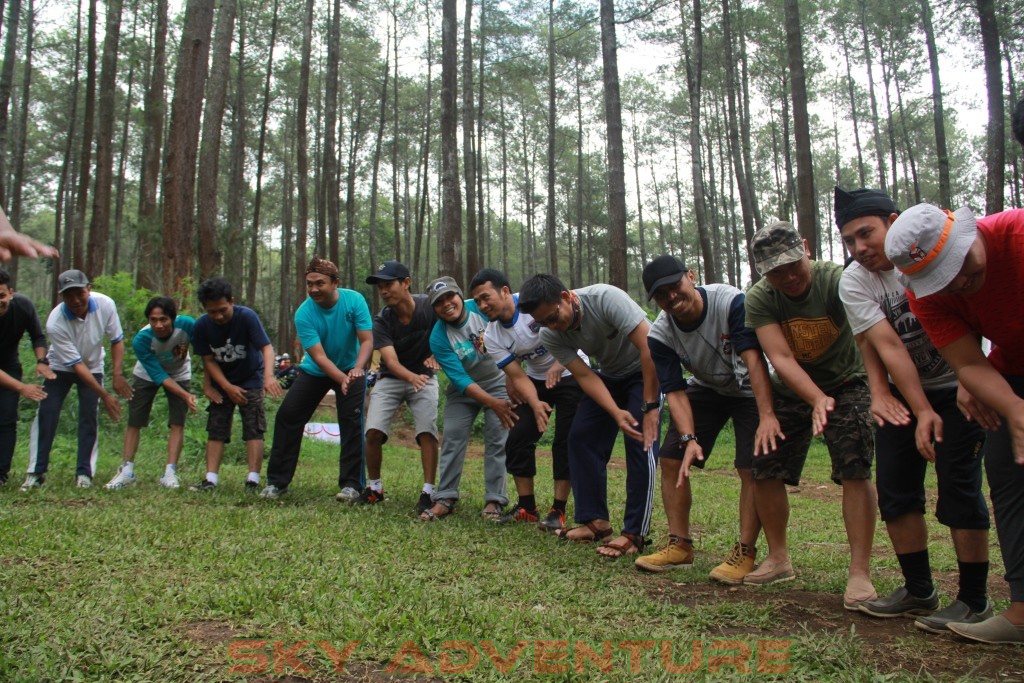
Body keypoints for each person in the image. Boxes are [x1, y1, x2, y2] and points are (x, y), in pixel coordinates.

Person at [836, 187, 991, 633]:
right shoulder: (855, 281)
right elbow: (886, 345)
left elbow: (975, 320)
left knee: (959, 485)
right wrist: (916, 407)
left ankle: (974, 600)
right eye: (850, 241)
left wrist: (971, 379)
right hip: (908, 395)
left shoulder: (926, 259)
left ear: (893, 220)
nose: (860, 248)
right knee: (896, 489)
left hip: (965, 383)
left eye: (866, 233)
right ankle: (919, 589)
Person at [885, 203, 1024, 645]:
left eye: (958, 264)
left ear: (964, 231)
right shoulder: (926, 295)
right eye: (942, 278)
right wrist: (1013, 408)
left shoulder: (1018, 234)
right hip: (1011, 370)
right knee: (1006, 469)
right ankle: (1022, 608)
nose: (959, 282)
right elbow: (965, 360)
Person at [743, 222, 878, 609]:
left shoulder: (837, 280)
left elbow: (869, 335)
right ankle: (779, 558)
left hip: (848, 383)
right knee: (765, 466)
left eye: (792, 265)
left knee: (854, 466)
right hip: (793, 390)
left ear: (806, 248)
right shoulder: (761, 298)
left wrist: (847, 395)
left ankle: (859, 572)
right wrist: (815, 399)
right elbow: (780, 358)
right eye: (774, 271)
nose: (787, 277)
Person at [637, 255, 782, 582]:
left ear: (691, 276)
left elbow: (754, 361)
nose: (671, 297)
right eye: (661, 295)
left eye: (675, 286)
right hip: (707, 387)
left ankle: (745, 551)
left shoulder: (731, 302)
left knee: (751, 466)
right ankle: (680, 544)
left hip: (751, 388)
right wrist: (688, 438)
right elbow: (674, 392)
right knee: (672, 457)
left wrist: (767, 414)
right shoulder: (660, 334)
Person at [518, 275, 660, 560]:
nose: (552, 327)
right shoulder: (549, 334)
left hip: (645, 370)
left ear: (566, 296)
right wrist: (614, 412)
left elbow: (650, 348)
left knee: (640, 441)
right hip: (608, 376)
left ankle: (634, 532)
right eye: (543, 322)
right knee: (581, 438)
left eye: (554, 317)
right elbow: (584, 375)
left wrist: (649, 405)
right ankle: (596, 522)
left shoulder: (606, 298)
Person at [469, 268, 587, 531]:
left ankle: (558, 510)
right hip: (534, 378)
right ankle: (527, 507)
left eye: (486, 297)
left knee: (564, 441)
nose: (482, 305)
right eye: (477, 301)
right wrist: (535, 404)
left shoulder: (533, 302)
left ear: (505, 291)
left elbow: (574, 325)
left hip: (571, 371)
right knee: (518, 436)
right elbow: (518, 376)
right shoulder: (491, 335)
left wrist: (560, 361)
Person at [261, 257, 372, 500]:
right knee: (288, 416)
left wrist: (356, 369)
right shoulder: (304, 313)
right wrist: (341, 378)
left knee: (352, 423)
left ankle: (352, 485)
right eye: (309, 284)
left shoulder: (354, 300)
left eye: (319, 283)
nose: (313, 289)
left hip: (352, 368)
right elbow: (319, 356)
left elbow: (367, 340)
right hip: (315, 371)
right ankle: (277, 483)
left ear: (335, 283)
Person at [22, 269, 132, 490]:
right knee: (47, 412)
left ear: (89, 289)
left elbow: (116, 340)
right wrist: (106, 395)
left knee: (88, 417)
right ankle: (36, 472)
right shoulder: (56, 321)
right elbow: (76, 366)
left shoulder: (105, 304)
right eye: (68, 295)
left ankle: (84, 473)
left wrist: (117, 374)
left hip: (93, 365)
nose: (75, 299)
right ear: (61, 296)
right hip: (61, 366)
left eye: (79, 293)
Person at [421, 276, 512, 521]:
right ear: (434, 308)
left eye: (450, 296)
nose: (447, 304)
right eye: (439, 302)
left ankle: (494, 500)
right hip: (464, 392)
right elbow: (460, 380)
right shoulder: (438, 337)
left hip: (498, 382)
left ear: (460, 295)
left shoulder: (481, 309)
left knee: (497, 439)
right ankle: (445, 497)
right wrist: (491, 403)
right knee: (452, 436)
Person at [361, 260, 440, 512]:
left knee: (427, 431)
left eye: (388, 285)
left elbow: (450, 329)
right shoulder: (382, 320)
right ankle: (374, 488)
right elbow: (391, 361)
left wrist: (438, 355)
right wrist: (411, 377)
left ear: (406, 283)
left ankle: (428, 492)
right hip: (392, 378)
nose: (383, 291)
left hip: (425, 378)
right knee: (372, 432)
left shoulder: (430, 306)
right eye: (380, 287)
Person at [191, 277, 283, 492]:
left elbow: (266, 348)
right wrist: (223, 386)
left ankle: (253, 479)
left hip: (250, 377)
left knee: (254, 426)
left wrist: (269, 376)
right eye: (212, 312)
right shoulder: (202, 326)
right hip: (221, 382)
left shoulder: (247, 317)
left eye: (223, 309)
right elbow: (209, 360)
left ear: (232, 301)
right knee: (216, 427)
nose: (218, 316)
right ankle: (211, 479)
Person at [105, 296, 197, 490]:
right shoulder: (142, 339)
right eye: (153, 320)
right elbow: (159, 376)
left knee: (177, 421)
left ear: (172, 318)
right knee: (135, 419)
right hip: (148, 374)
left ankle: (170, 472)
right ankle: (127, 470)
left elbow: (204, 349)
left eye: (163, 319)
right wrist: (185, 395)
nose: (159, 325)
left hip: (180, 371)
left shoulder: (187, 325)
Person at [0, 268, 52, 486]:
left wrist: (41, 361)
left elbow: (38, 336)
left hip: (9, 365)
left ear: (11, 293)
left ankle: (1, 473)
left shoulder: (23, 306)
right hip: (10, 376)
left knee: (6, 419)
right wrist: (22, 388)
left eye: (1, 295)